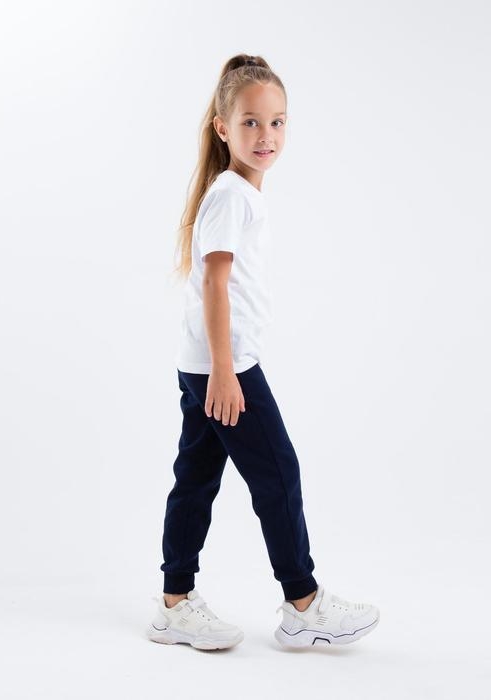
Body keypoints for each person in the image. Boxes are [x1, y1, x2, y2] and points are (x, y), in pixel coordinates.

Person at [147, 54, 380, 651]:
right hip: (223, 367)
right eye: (250, 122)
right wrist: (226, 373)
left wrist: (216, 369)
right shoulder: (232, 195)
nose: (266, 135)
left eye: (277, 122)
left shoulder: (238, 193)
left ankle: (174, 604)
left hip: (206, 363)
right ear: (223, 128)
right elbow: (214, 283)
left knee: (196, 477)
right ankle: (303, 605)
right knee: (278, 473)